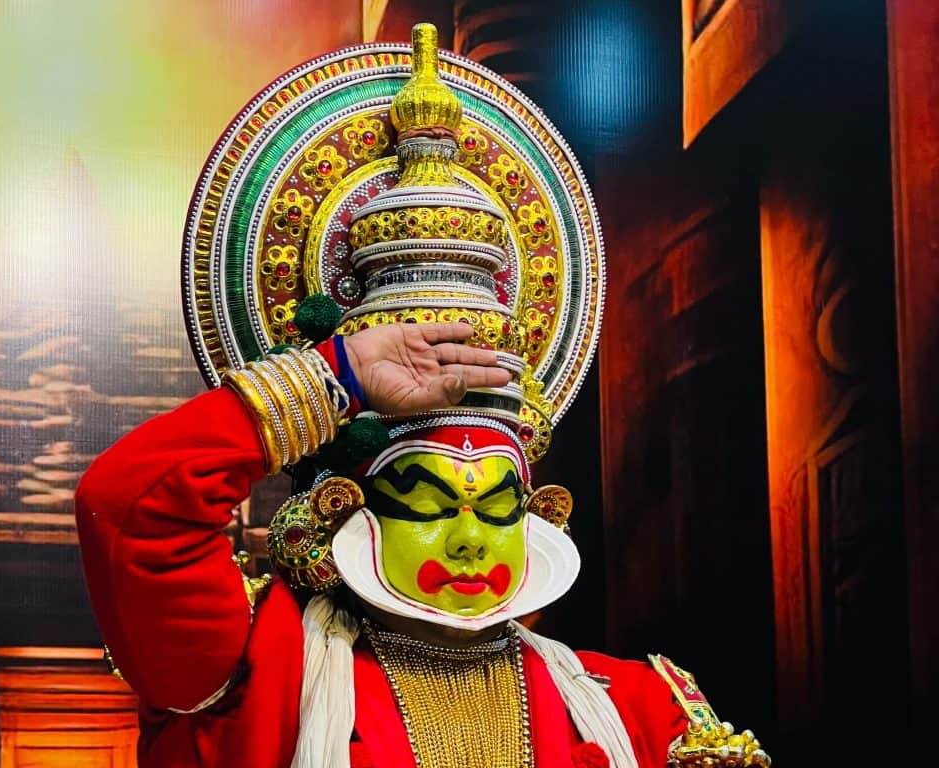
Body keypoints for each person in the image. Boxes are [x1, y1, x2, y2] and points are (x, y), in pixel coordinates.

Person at [76, 22, 770, 768]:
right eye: (430, 503)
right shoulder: (252, 669)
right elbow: (128, 509)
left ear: (540, 515)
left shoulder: (639, 710)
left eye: (496, 504)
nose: (470, 539)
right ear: (345, 509)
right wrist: (339, 373)